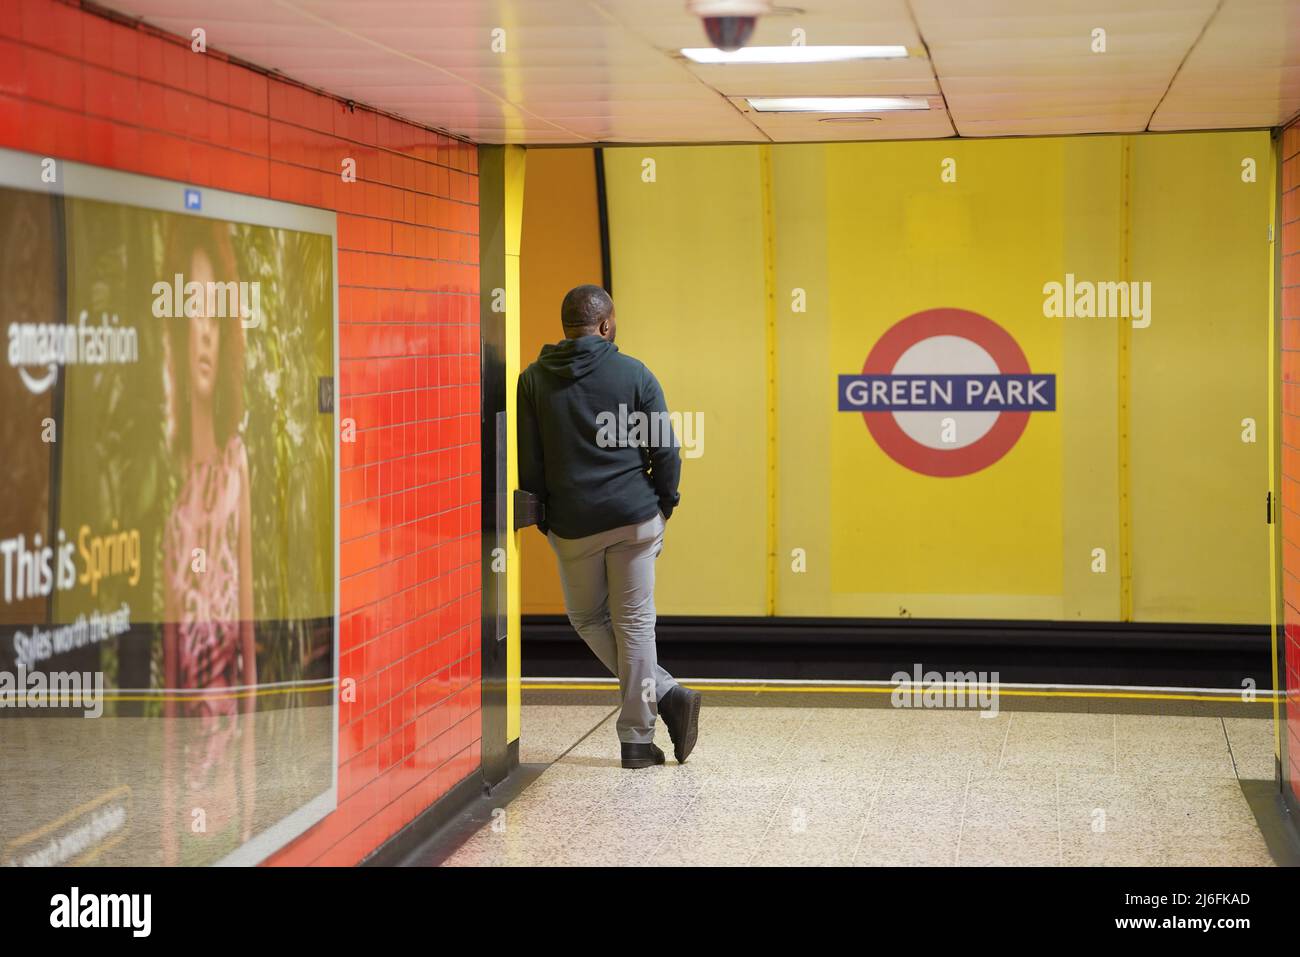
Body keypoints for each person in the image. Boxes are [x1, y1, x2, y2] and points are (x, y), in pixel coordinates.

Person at [518, 285, 701, 769]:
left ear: (566, 327)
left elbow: (530, 465)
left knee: (588, 619)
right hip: (634, 519)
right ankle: (641, 733)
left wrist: (549, 522)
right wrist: (664, 505)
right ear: (604, 325)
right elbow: (665, 449)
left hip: (573, 525)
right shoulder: (634, 373)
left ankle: (664, 702)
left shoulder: (533, 380)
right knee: (635, 625)